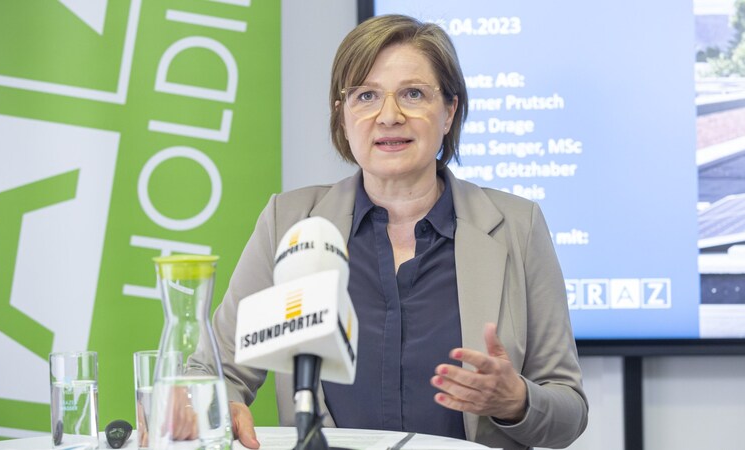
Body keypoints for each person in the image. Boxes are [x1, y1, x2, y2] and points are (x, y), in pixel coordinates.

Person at [198, 14, 588, 450]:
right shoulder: (289, 221)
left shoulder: (517, 226)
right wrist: (214, 404)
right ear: (342, 114)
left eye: (413, 94)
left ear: (449, 111)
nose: (389, 116)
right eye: (366, 95)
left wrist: (516, 400)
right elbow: (214, 374)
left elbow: (568, 410)